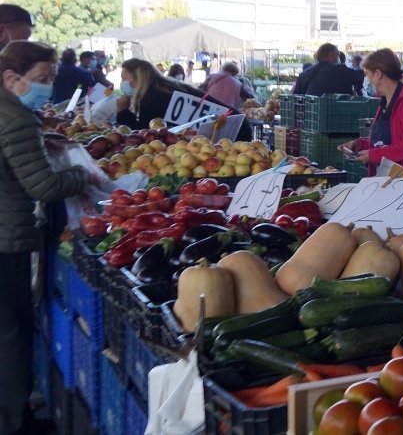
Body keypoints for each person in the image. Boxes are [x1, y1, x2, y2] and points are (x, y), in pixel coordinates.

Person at [0, 40, 89, 434]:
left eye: (51, 78)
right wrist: (82, 174)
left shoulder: (11, 112)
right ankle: (16, 421)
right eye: (40, 79)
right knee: (11, 330)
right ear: (11, 78)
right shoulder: (16, 119)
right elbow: (43, 187)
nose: (48, 86)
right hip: (7, 237)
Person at [338, 48, 403, 181]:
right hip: (396, 183)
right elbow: (390, 140)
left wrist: (374, 155)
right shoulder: (387, 101)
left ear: (378, 74)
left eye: (367, 74)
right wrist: (360, 145)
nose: (367, 80)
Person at [116, 59, 253, 140]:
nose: (122, 83)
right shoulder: (165, 88)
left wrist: (122, 112)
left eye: (124, 78)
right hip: (237, 126)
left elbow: (143, 135)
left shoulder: (154, 98)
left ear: (138, 79)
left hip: (233, 132)